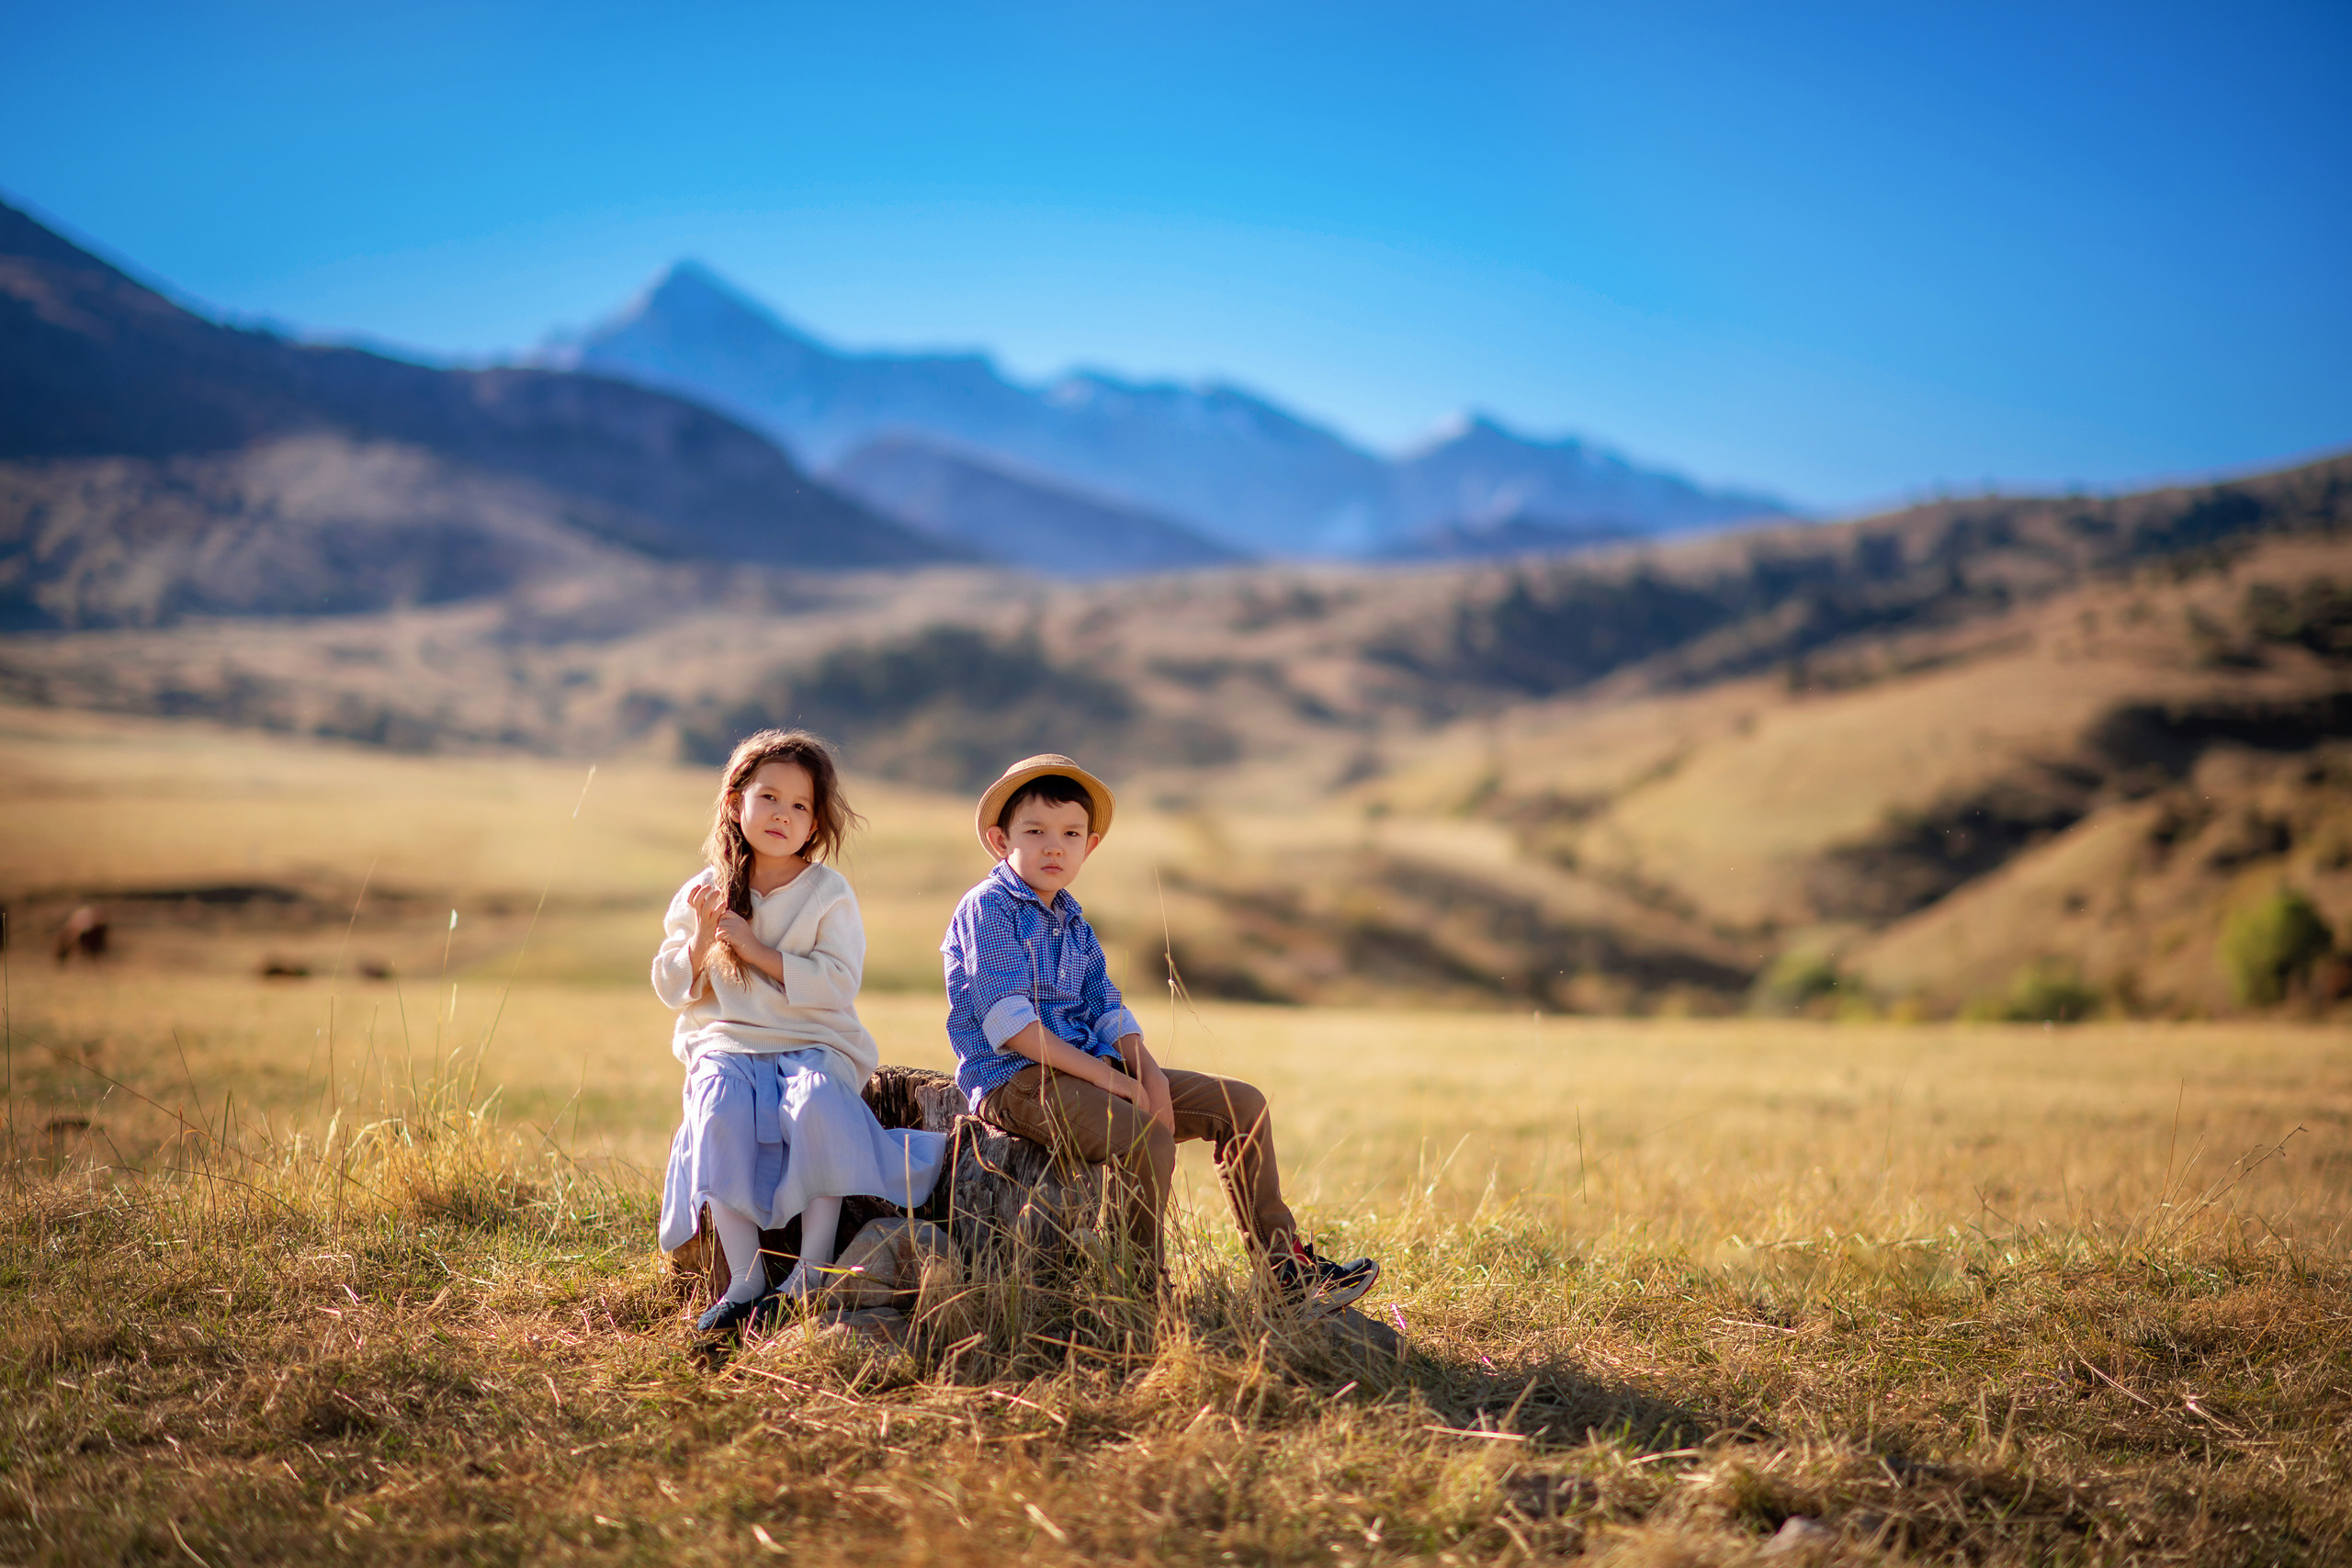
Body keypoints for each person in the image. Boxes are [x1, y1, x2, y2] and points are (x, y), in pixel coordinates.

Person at [941, 753, 1379, 1313]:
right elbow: (1014, 1029)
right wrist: (1115, 1083)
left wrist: (1148, 1075)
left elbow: (1106, 1008)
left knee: (1241, 1104)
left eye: (1070, 833)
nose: (1054, 846)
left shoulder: (1072, 918)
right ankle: (1137, 1293)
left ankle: (1284, 1272)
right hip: (1020, 1081)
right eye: (1036, 832)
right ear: (1001, 840)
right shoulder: (989, 909)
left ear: (1089, 846)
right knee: (1142, 1136)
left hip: (1091, 1070)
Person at [654, 729, 947, 1335]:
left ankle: (811, 1269)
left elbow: (838, 981)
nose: (783, 814)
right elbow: (670, 982)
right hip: (728, 1042)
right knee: (717, 1108)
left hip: (812, 1042)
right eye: (769, 797)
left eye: (800, 805)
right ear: (736, 802)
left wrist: (757, 949)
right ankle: (745, 1277)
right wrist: (705, 936)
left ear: (816, 821)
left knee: (817, 1105)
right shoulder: (703, 891)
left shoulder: (827, 892)